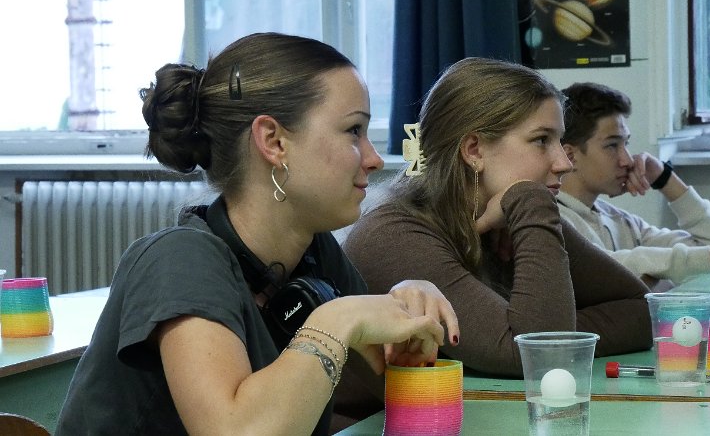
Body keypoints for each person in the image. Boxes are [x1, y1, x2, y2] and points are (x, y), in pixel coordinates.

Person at [56, 33, 459, 436]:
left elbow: (393, 385)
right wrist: (340, 319)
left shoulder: (314, 252)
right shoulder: (178, 260)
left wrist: (407, 323)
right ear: (273, 141)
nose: (373, 159)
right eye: (353, 130)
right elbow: (235, 430)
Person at [343, 58, 652, 379]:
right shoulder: (394, 236)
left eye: (559, 141)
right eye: (542, 140)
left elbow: (643, 311)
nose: (564, 163)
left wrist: (561, 335)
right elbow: (537, 357)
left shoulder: (517, 213)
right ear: (474, 150)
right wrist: (529, 202)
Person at [558, 82, 710, 287]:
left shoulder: (621, 221)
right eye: (612, 146)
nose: (627, 160)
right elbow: (605, 266)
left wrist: (663, 177)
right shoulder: (554, 220)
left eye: (626, 144)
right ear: (570, 156)